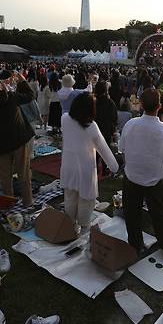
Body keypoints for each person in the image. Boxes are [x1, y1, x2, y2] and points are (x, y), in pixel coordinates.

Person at [119, 89, 163, 260]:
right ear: (160, 106)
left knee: (132, 213)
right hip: (154, 178)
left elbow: (122, 148)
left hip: (132, 176)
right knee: (161, 214)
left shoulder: (130, 124)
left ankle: (135, 245)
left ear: (140, 104)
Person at [61, 93, 119, 232]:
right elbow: (103, 148)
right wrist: (114, 167)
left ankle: (70, 224)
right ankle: (84, 226)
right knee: (86, 199)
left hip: (68, 165)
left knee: (70, 196)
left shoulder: (65, 119)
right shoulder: (91, 126)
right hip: (85, 168)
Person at [0, 76, 35, 205]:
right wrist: (23, 81)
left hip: (0, 144)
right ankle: (28, 201)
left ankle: (9, 204)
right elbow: (30, 96)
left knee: (5, 177)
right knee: (23, 173)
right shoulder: (10, 96)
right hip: (18, 139)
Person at [94, 81, 118, 175]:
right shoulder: (110, 102)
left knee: (94, 149)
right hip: (106, 128)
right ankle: (104, 169)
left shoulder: (93, 101)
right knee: (105, 149)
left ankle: (95, 168)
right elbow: (114, 117)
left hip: (95, 127)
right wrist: (113, 129)